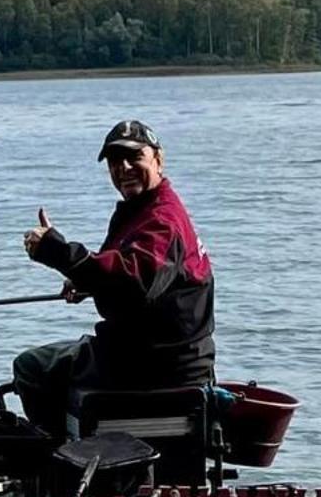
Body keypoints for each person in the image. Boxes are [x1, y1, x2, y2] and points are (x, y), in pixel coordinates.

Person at [12, 119, 215, 440]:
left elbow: (136, 281)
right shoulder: (143, 210)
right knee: (57, 362)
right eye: (114, 161)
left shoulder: (163, 220)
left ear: (158, 159)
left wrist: (58, 252)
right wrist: (86, 282)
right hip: (150, 353)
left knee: (31, 367)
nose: (124, 168)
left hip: (153, 364)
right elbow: (126, 273)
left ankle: (57, 465)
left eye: (134, 157)